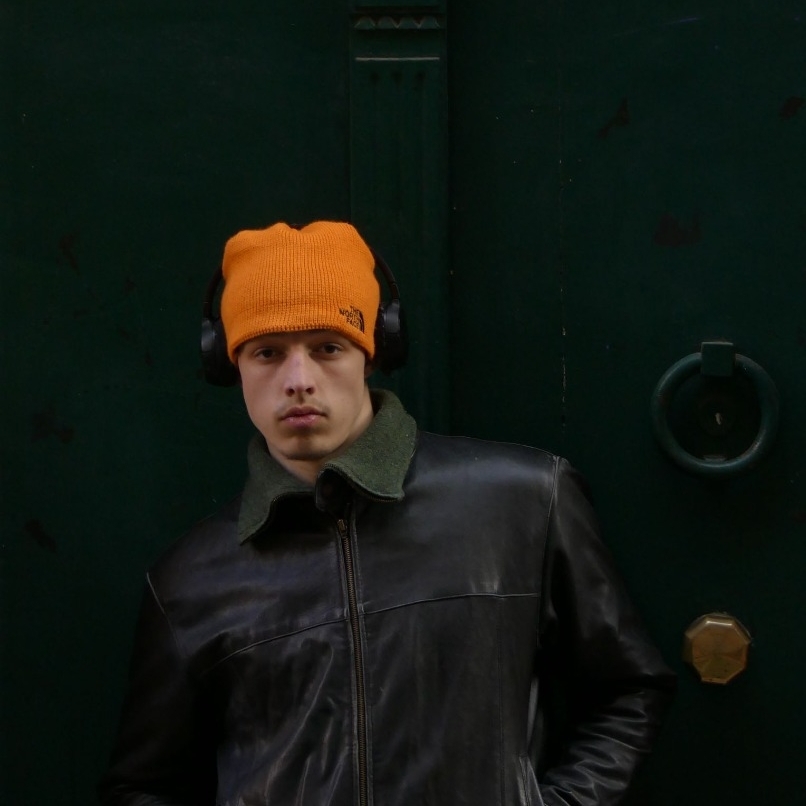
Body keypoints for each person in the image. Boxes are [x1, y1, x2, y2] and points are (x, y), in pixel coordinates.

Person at [99, 221, 675, 806]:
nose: (298, 381)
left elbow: (628, 688)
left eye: (327, 347)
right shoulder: (190, 578)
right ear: (230, 365)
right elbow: (144, 787)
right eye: (267, 353)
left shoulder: (523, 500)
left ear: (374, 351)